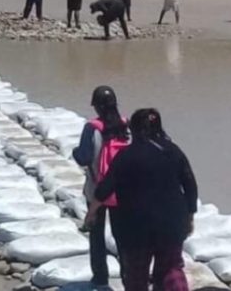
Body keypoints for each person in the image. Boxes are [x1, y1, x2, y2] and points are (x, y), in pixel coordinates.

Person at [89, 108, 198, 291]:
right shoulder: (174, 151)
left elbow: (104, 189)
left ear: (134, 129)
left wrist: (91, 213)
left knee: (136, 276)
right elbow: (190, 186)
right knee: (170, 269)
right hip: (171, 225)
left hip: (136, 229)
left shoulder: (126, 155)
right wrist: (190, 216)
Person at [73, 86, 130, 288]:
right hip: (122, 192)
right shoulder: (127, 125)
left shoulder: (92, 128)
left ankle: (100, 279)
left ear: (96, 107)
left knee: (96, 237)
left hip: (97, 190)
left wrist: (75, 152)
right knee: (122, 237)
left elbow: (83, 157)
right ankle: (128, 277)